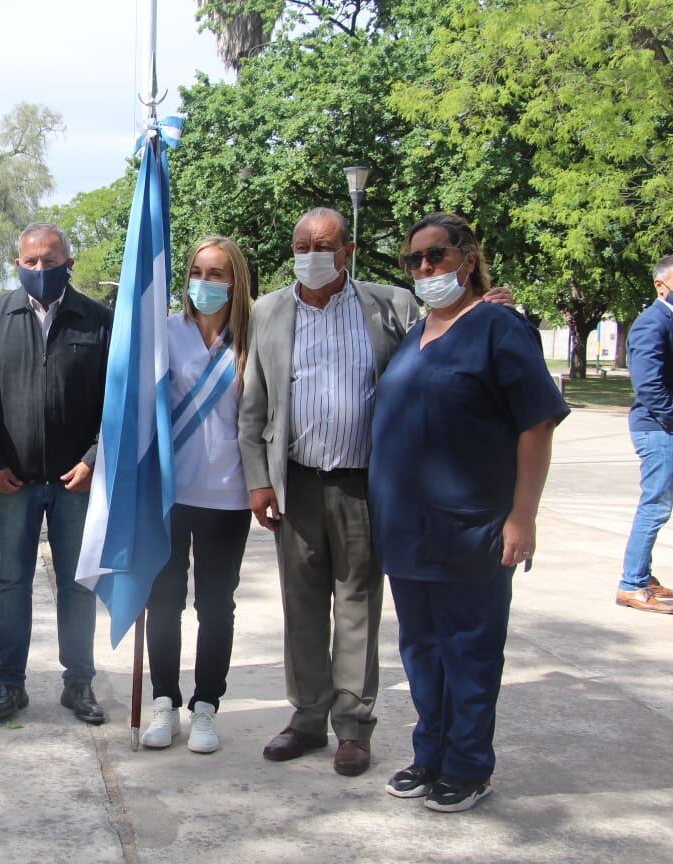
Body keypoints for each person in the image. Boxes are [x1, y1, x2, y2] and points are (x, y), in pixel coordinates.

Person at [239, 207, 512, 777]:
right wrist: (259, 479)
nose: (311, 254)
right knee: (303, 608)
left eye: (324, 244)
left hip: (367, 485)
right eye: (300, 244)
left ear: (348, 250)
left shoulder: (392, 305)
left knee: (359, 605)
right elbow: (253, 406)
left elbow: (446, 331)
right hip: (296, 483)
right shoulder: (267, 311)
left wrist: (482, 308)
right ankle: (307, 717)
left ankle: (354, 727)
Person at [369, 212, 568, 812]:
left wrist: (522, 516)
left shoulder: (499, 327)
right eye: (415, 261)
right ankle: (430, 753)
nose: (426, 268)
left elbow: (535, 423)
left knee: (470, 651)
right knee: (421, 652)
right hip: (407, 529)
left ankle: (468, 764)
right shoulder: (417, 331)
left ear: (468, 257)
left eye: (437, 256)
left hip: (472, 527)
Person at [0, 222, 113, 725]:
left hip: (76, 482)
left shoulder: (100, 321)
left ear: (71, 262)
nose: (40, 270)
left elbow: (119, 404)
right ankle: (9, 683)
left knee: (77, 585)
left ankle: (79, 683)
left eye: (50, 260)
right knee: (11, 582)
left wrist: (93, 460)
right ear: (17, 265)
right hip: (11, 483)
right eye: (31, 262)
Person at [140, 236, 253, 754]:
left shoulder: (253, 336)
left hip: (229, 495)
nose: (205, 284)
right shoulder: (165, 333)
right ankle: (164, 700)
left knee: (216, 604)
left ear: (236, 281)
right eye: (199, 273)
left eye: (218, 274)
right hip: (170, 492)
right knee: (164, 602)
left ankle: (206, 705)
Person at [615, 253, 673, 614]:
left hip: (663, 427)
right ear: (660, 284)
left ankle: (643, 576)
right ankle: (631, 584)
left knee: (660, 504)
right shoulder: (652, 323)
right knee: (655, 505)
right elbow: (650, 385)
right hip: (658, 430)